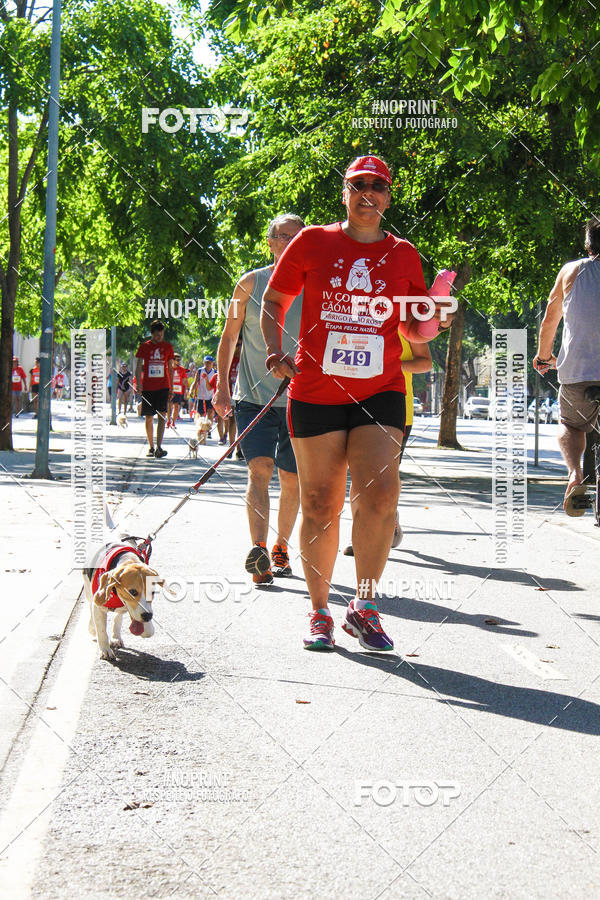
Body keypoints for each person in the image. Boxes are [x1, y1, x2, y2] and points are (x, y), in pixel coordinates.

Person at [261, 156, 453, 651]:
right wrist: (276, 348)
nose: (369, 192)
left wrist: (433, 318)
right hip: (316, 390)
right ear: (345, 192)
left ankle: (364, 606)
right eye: (358, 184)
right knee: (321, 503)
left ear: (388, 197)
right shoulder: (312, 242)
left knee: (381, 495)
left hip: (380, 388)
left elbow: (412, 327)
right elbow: (274, 300)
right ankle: (320, 611)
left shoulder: (405, 254)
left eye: (378, 186)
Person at [213, 214, 305, 585]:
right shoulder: (249, 284)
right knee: (260, 470)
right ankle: (259, 550)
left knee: (292, 479)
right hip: (253, 398)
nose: (288, 242)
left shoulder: (315, 286)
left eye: (296, 237)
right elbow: (228, 338)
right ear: (270, 242)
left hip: (301, 400)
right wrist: (221, 387)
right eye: (281, 236)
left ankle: (282, 546)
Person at [534, 216, 600, 514]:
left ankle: (575, 473)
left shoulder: (571, 271)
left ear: (588, 244)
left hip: (577, 373)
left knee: (571, 424)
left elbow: (551, 319)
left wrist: (544, 355)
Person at [344, 334, 432, 555]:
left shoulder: (407, 319)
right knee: (359, 475)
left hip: (397, 411)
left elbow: (425, 362)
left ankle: (387, 518)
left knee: (385, 478)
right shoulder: (357, 315)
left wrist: (390, 365)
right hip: (355, 404)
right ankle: (361, 535)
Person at [135, 319, 175, 458]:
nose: (160, 338)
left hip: (163, 386)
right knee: (149, 417)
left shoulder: (168, 347)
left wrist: (171, 388)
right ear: (152, 334)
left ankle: (159, 446)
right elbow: (138, 366)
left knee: (162, 416)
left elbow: (170, 367)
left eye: (161, 335)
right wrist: (138, 384)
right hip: (148, 387)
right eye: (157, 335)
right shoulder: (144, 347)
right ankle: (151, 447)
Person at [192, 356, 218, 426]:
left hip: (211, 396)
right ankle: (201, 429)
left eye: (209, 363)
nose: (207, 364)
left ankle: (208, 429)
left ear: (212, 363)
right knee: (201, 414)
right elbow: (195, 382)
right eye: (206, 363)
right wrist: (192, 390)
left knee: (210, 413)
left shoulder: (215, 372)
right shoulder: (200, 371)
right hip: (201, 396)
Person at [167, 353, 188, 427]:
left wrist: (186, 390)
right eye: (177, 360)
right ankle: (168, 421)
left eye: (180, 360)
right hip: (170, 390)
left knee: (176, 406)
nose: (179, 362)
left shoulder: (182, 369)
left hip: (179, 390)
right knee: (169, 406)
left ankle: (173, 422)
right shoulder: (168, 368)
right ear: (172, 360)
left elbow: (185, 380)